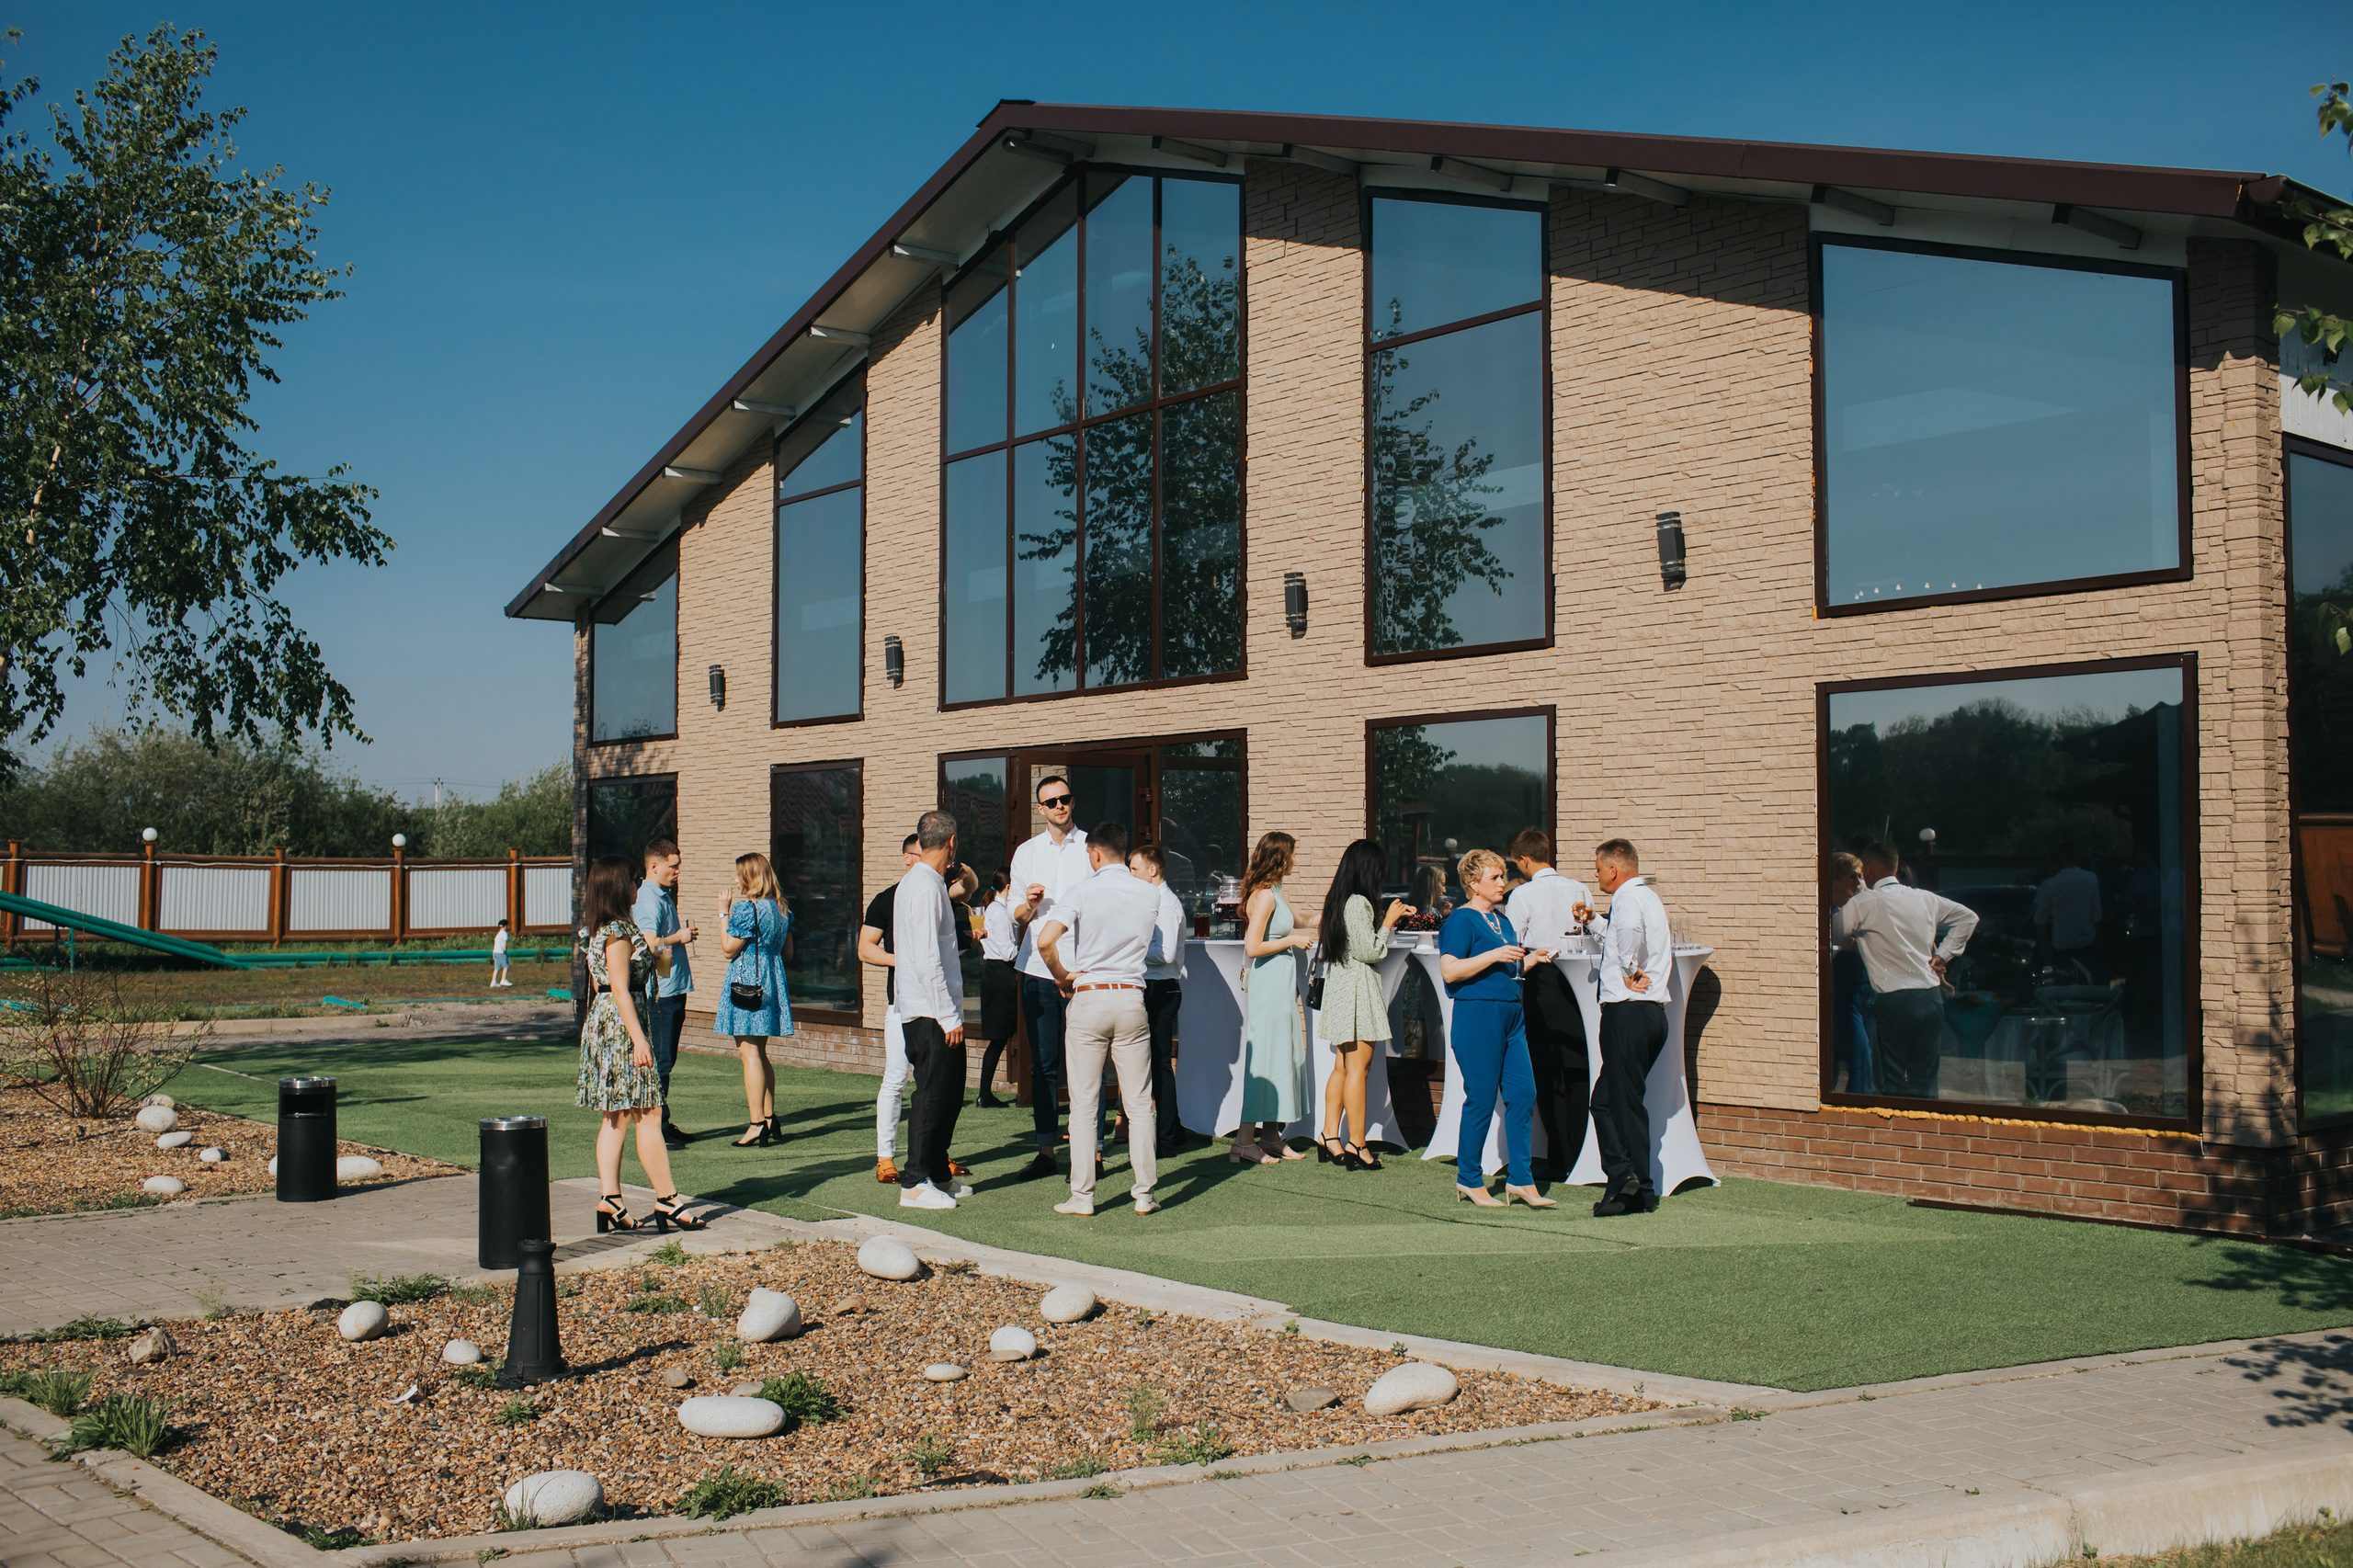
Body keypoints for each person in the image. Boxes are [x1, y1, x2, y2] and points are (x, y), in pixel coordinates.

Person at [1034, 820, 1164, 1217]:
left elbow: (1044, 941)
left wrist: (1060, 974)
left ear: (1094, 853)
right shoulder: (1149, 893)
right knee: (1140, 1103)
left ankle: (1083, 1196)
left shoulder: (1082, 890)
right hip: (1131, 998)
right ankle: (1144, 1194)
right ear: (1123, 852)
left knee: (1085, 1102)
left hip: (1090, 997)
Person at [576, 855, 708, 1234]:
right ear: (620, 885)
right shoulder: (617, 932)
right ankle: (668, 1200)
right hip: (622, 1028)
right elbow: (619, 987)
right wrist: (639, 1040)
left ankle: (611, 1200)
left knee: (614, 1116)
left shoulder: (600, 929)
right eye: (633, 879)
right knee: (648, 1113)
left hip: (607, 1025)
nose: (637, 885)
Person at [1439, 848, 1554, 1208]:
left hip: (1511, 1014)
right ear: (1474, 884)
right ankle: (1469, 1179)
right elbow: (1450, 971)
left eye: (1503, 876)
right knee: (1482, 1098)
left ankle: (1521, 1180)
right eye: (1495, 878)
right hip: (1478, 1017)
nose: (1502, 883)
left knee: (1523, 1095)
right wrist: (1494, 955)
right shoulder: (1461, 921)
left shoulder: (1501, 922)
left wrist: (1531, 959)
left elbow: (1508, 970)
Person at [861, 834, 977, 1183]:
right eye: (911, 855)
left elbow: (969, 887)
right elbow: (865, 949)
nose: (916, 860)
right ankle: (888, 1157)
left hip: (933, 1001)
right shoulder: (894, 897)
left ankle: (935, 1163)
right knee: (900, 1080)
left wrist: (960, 868)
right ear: (905, 858)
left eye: (921, 854)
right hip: (908, 1003)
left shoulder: (936, 888)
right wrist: (904, 960)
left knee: (941, 1087)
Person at [1834, 840, 1978, 1102]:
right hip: (1929, 998)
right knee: (1925, 1080)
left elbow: (1829, 932)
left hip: (1894, 999)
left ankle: (1898, 1138)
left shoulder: (1864, 902)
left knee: (1893, 1082)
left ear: (1869, 868)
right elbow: (1968, 917)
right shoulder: (1923, 897)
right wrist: (1943, 954)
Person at [1009, 775, 1095, 1181]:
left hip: (1082, 969)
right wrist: (1028, 905)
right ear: (1039, 809)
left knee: (1085, 1065)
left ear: (1072, 803)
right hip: (1038, 970)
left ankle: (1090, 1151)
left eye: (1064, 799)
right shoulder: (1026, 853)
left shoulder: (1092, 847)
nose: (1059, 806)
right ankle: (1046, 1150)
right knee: (1043, 1066)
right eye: (1050, 801)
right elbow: (1016, 915)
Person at [893, 810, 973, 1210]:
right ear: (952, 841)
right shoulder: (923, 887)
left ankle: (938, 1173)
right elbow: (927, 958)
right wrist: (947, 1015)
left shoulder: (928, 882)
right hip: (930, 1012)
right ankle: (914, 1182)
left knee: (950, 1092)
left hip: (933, 1009)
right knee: (932, 1095)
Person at [1589, 838, 1671, 1217]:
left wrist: (1626, 971)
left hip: (1627, 1010)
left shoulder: (1625, 899)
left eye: (1598, 868)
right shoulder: (1649, 897)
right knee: (1608, 1101)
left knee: (1622, 1104)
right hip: (1650, 1014)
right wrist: (1592, 923)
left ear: (1613, 869)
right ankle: (1632, 1182)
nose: (1596, 874)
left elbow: (1629, 937)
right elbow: (1624, 935)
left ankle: (1632, 1183)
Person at [1505, 827, 1592, 1176]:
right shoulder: (1580, 888)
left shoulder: (1523, 895)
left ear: (1524, 859)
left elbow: (1514, 944)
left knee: (1546, 1071)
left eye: (1517, 864)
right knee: (1579, 1069)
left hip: (1541, 981)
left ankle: (1561, 1158)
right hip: (1578, 983)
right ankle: (1584, 1151)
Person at [1315, 838, 1406, 1172]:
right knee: (1358, 1068)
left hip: (1343, 986)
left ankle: (1329, 1133)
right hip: (1356, 989)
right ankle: (1357, 1142)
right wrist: (1388, 923)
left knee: (1343, 1065)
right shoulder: (1358, 903)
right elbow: (1369, 951)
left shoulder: (1341, 900)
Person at [1235, 831, 1315, 1164]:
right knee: (1266, 1056)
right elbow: (1253, 947)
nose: (1296, 860)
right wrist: (1292, 941)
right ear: (1281, 857)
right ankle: (1243, 1141)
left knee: (1280, 1055)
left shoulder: (1276, 893)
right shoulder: (1265, 896)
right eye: (1294, 854)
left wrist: (1338, 911)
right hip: (1269, 987)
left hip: (1281, 987)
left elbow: (1303, 921)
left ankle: (1270, 1135)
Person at [714, 851, 792, 1147]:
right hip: (772, 981)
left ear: (750, 877)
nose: (734, 880)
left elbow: (727, 949)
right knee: (760, 1053)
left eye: (738, 875)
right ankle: (770, 1117)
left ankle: (757, 1123)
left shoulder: (748, 909)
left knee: (749, 1054)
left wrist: (724, 911)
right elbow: (788, 954)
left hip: (748, 983)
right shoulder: (781, 908)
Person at [631, 839, 699, 1151]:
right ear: (654, 866)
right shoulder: (648, 899)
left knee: (665, 1060)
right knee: (661, 1061)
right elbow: (649, 943)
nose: (677, 872)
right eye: (673, 866)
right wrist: (679, 937)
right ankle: (654, 1127)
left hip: (671, 987)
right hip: (661, 993)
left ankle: (662, 1122)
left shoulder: (662, 895)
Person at [1131, 844, 1188, 1159]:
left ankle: (1166, 1137)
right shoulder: (1155, 900)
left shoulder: (1165, 904)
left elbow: (1165, 955)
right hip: (1156, 987)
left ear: (1153, 870)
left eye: (1135, 869)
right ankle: (1173, 1129)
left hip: (1161, 989)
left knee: (1159, 1063)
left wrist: (1132, 948)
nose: (1131, 875)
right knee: (1155, 1061)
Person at [1827, 851, 1875, 1094]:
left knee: (1859, 1062)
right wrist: (1838, 947)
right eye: (1853, 877)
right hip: (1841, 996)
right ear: (1834, 880)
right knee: (1860, 1061)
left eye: (1861, 877)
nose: (1859, 883)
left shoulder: (1856, 911)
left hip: (1865, 994)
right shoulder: (1824, 914)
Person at [975, 868, 1020, 1109]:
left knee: (1000, 1038)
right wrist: (1032, 953)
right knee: (1000, 1037)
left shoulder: (994, 910)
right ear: (1009, 887)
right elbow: (1008, 951)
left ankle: (984, 1093)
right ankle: (984, 1093)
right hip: (1002, 974)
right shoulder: (999, 913)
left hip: (995, 974)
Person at [2034, 847, 2102, 967]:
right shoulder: (2091, 878)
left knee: (2064, 978)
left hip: (2061, 942)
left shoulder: (2051, 884)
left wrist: (2045, 942)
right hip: (2086, 939)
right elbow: (2097, 914)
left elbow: (2040, 919)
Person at [491, 919, 512, 988]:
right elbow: (504, 944)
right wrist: (505, 952)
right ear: (505, 926)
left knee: (497, 968)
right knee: (506, 966)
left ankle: (493, 981)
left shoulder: (498, 934)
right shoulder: (505, 934)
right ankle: (503, 979)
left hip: (495, 952)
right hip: (501, 952)